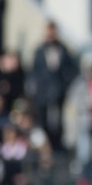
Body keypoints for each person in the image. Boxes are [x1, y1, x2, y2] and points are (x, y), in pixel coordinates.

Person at [29, 21, 78, 155]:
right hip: (43, 94)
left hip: (58, 93)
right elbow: (34, 72)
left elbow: (72, 70)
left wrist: (65, 85)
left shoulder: (63, 50)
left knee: (58, 121)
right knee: (43, 121)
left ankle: (57, 147)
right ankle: (46, 148)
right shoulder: (39, 51)